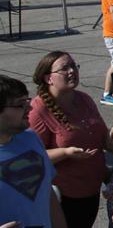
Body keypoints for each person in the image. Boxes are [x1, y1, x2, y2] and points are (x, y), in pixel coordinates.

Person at [29, 52, 109, 228]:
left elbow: (102, 136)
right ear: (48, 78)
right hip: (64, 195)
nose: (72, 71)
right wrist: (65, 153)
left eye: (73, 66)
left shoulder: (84, 99)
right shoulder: (38, 110)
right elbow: (32, 157)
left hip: (92, 188)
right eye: (65, 68)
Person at [0, 74, 68, 228]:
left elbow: (47, 194)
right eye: (20, 105)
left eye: (27, 101)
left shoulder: (31, 139)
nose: (29, 107)